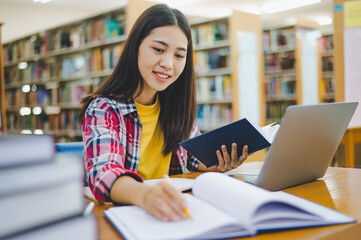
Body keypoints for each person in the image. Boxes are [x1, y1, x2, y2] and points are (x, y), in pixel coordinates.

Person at [79, 4, 248, 222]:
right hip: (130, 215)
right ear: (135, 47)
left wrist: (222, 160)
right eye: (158, 50)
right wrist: (146, 194)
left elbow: (193, 159)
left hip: (171, 211)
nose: (168, 64)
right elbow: (104, 174)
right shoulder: (104, 109)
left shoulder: (175, 105)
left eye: (179, 55)